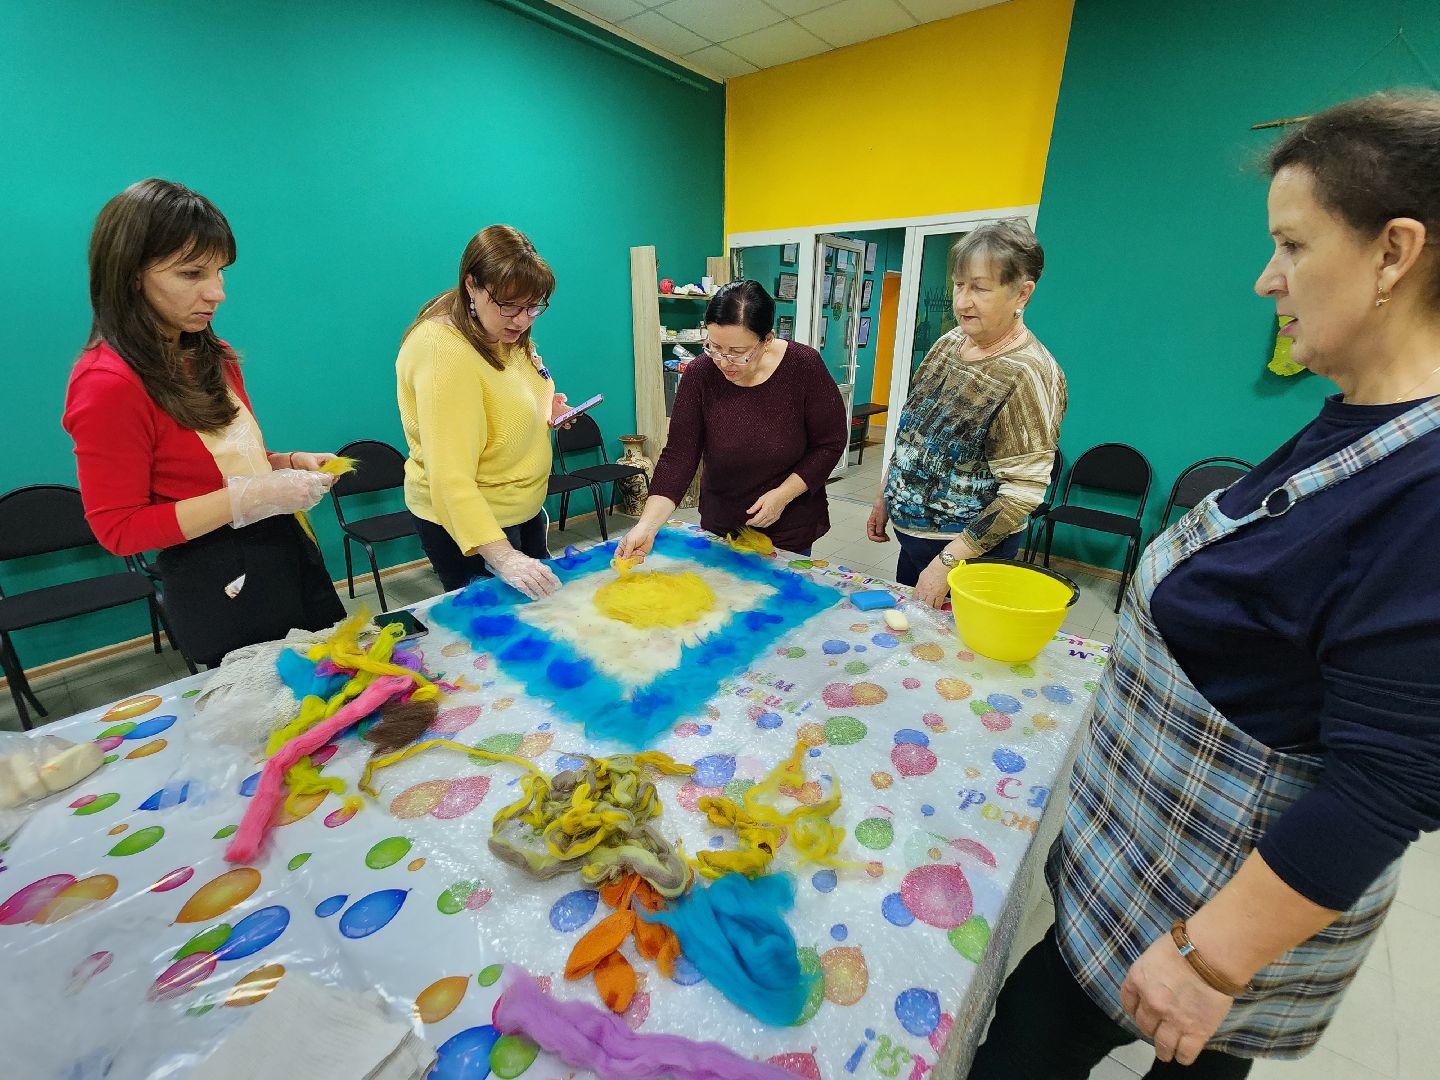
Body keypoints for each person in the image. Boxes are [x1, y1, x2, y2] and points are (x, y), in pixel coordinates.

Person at [969, 91, 1440, 1079]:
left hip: (1198, 929)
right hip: (1143, 885)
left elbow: (1391, 778)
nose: (1267, 278)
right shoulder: (1351, 419)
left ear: (1394, 252)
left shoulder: (1428, 487)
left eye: (1293, 245)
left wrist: (1207, 957)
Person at [62, 179, 345, 669]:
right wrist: (247, 498)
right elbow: (118, 528)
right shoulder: (107, 384)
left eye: (219, 272)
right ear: (131, 275)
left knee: (336, 684)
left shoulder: (210, 353)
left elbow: (216, 463)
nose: (217, 293)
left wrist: (286, 463)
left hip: (283, 550)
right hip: (218, 579)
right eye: (191, 273)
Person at [865, 221, 1065, 607]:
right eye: (959, 285)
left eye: (980, 288)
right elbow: (914, 432)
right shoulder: (951, 342)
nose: (962, 302)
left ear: (1022, 293)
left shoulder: (1030, 374)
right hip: (917, 543)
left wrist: (947, 563)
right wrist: (884, 495)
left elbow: (1021, 495)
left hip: (965, 556)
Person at [616, 280, 847, 561]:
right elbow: (679, 456)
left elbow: (829, 444)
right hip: (721, 523)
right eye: (713, 347)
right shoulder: (700, 374)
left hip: (788, 525)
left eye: (737, 352)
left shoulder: (803, 366)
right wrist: (647, 526)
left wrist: (783, 495)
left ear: (767, 340)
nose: (724, 361)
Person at [396, 225, 568, 599]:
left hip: (523, 508)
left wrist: (545, 411)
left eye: (532, 307)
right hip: (474, 523)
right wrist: (504, 557)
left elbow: (510, 394)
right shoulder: (444, 351)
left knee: (540, 613)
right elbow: (450, 479)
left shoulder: (500, 328)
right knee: (496, 635)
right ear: (471, 285)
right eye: (508, 305)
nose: (521, 320)